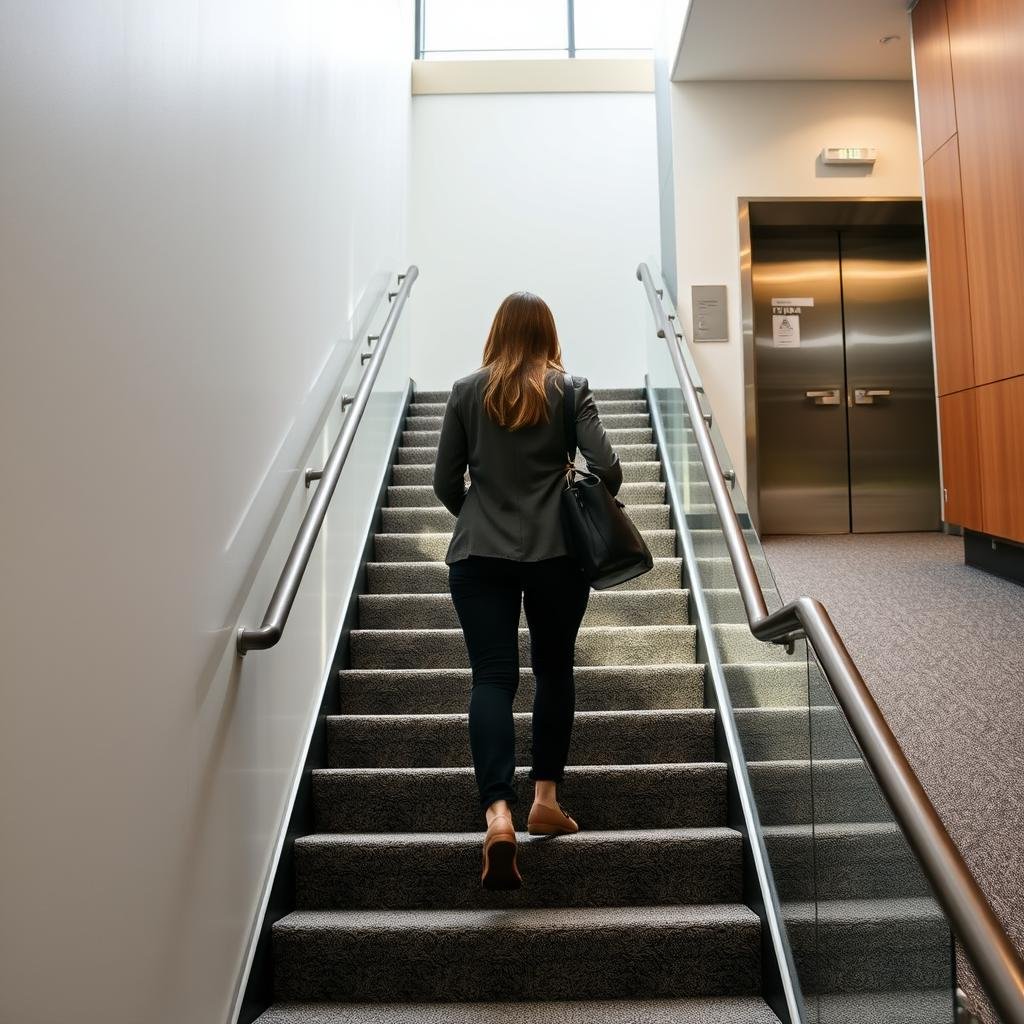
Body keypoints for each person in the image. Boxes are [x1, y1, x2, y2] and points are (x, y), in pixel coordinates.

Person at [432, 291, 623, 890]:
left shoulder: (465, 391)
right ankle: (544, 800)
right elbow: (609, 469)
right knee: (553, 671)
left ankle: (497, 815)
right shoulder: (570, 389)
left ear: (497, 332)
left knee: (491, 679)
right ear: (548, 334)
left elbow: (443, 481)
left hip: (478, 555)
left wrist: (478, 516)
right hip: (556, 554)